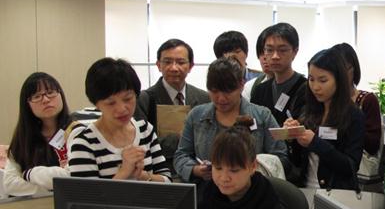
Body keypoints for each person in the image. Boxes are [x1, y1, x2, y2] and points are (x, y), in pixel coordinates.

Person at [173, 57, 288, 183]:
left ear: (241, 85)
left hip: (252, 191)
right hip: (207, 190)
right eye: (214, 91)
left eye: (228, 92)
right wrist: (195, 170)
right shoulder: (196, 116)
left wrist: (253, 167)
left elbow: (279, 158)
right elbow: (181, 155)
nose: (221, 98)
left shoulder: (262, 116)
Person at [69, 58, 171, 181]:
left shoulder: (145, 129)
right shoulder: (84, 143)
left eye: (128, 99)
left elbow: (167, 180)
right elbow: (86, 199)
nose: (122, 109)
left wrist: (144, 176)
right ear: (96, 104)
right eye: (111, 103)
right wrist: (124, 172)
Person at [283, 47, 365, 190]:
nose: (315, 87)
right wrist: (292, 138)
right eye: (311, 79)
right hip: (305, 190)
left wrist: (315, 142)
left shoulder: (354, 115)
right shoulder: (308, 111)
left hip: (335, 194)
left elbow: (350, 166)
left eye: (323, 80)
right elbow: (297, 161)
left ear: (338, 80)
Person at [137, 39, 210, 174]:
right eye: (167, 62)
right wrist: (185, 138)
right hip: (161, 172)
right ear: (158, 65)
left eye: (181, 62)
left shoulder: (203, 98)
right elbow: (141, 142)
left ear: (191, 66)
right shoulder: (145, 98)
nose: (174, 68)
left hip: (199, 173)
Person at [4, 72, 71, 195]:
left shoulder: (75, 131)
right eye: (37, 96)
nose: (45, 100)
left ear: (61, 95)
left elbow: (73, 176)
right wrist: (48, 190)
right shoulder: (23, 138)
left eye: (50, 92)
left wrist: (28, 175)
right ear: (27, 105)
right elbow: (10, 183)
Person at [250, 22, 307, 125]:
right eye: (269, 50)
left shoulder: (307, 89)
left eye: (282, 50)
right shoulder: (260, 90)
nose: (275, 56)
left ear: (295, 52)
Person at [332, 42, 382, 156]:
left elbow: (373, 145)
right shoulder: (325, 101)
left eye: (345, 69)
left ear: (354, 69)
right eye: (335, 70)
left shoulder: (367, 100)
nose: (340, 75)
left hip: (358, 168)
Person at [243, 30, 273, 100]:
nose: (265, 57)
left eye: (269, 51)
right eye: (261, 53)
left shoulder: (300, 85)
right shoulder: (251, 86)